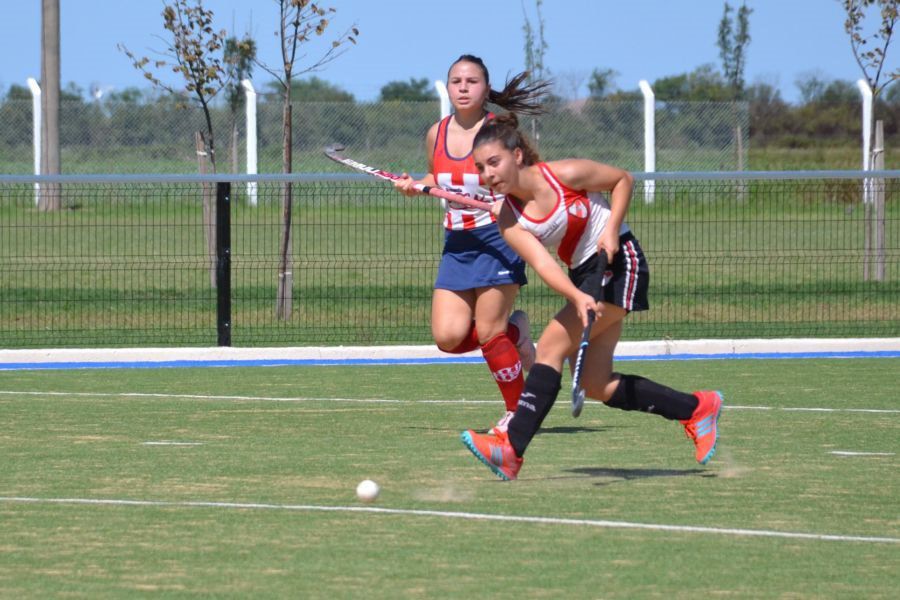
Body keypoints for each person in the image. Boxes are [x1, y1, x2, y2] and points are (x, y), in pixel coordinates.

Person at [460, 113, 723, 480]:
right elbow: (543, 264)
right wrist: (576, 295)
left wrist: (612, 229)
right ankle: (696, 408)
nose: (488, 175)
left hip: (619, 260)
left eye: (494, 163)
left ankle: (511, 448)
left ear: (517, 156)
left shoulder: (563, 174)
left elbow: (621, 180)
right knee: (595, 384)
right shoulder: (508, 218)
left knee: (550, 345)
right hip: (584, 277)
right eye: (480, 168)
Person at [395, 55, 551, 435]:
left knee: (487, 332)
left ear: (485, 88)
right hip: (458, 242)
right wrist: (416, 184)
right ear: (447, 87)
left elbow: (532, 179)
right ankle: (517, 333)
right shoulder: (437, 132)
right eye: (455, 81)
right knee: (448, 338)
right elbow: (438, 175)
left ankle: (519, 414)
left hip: (501, 236)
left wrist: (508, 196)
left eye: (472, 81)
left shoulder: (500, 130)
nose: (463, 88)